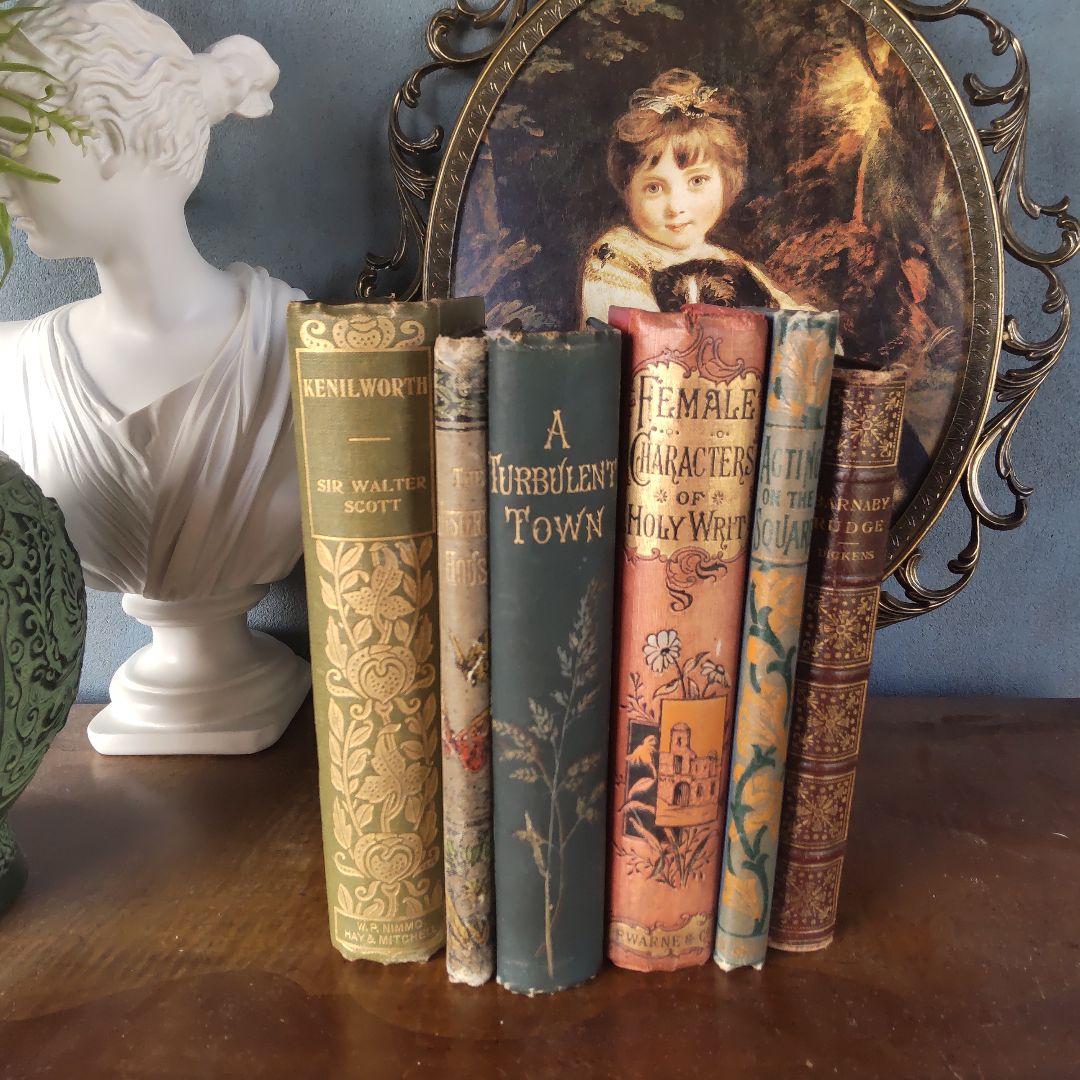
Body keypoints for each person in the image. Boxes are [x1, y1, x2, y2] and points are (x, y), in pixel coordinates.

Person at [0, 0, 302, 602]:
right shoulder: (13, 368)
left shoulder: (303, 351)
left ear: (109, 136)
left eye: (13, 146)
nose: (3, 185)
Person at [581, 68, 800, 323]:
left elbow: (803, 328)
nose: (676, 206)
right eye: (654, 188)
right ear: (628, 192)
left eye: (697, 181)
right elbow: (642, 340)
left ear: (727, 183)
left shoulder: (730, 263)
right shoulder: (616, 255)